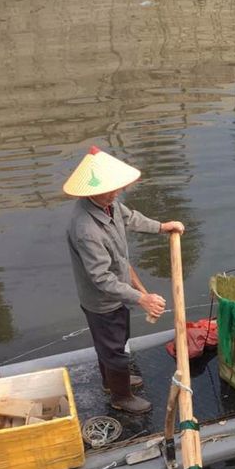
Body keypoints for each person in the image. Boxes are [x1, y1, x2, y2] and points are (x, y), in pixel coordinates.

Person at [63, 146, 184, 414]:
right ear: (92, 191)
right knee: (114, 348)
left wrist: (162, 227)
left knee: (114, 343)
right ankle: (121, 397)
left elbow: (130, 218)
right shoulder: (86, 229)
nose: (117, 192)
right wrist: (142, 297)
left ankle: (111, 381)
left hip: (117, 294)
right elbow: (101, 279)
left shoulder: (109, 205)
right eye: (111, 189)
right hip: (102, 302)